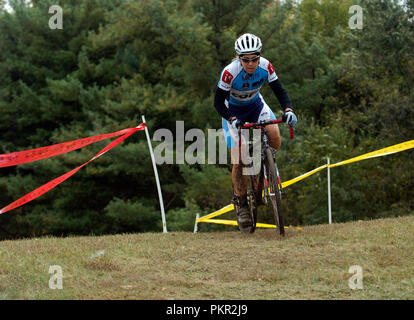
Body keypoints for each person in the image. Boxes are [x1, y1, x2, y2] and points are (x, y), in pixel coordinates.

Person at [213, 33, 297, 232]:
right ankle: (241, 204)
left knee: (275, 136)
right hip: (231, 112)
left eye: (254, 58)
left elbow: (280, 91)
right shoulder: (229, 73)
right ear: (239, 58)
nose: (251, 63)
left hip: (256, 106)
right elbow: (217, 102)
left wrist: (288, 109)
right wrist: (231, 119)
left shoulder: (265, 67)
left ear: (259, 57)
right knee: (239, 160)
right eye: (246, 59)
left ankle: (267, 162)